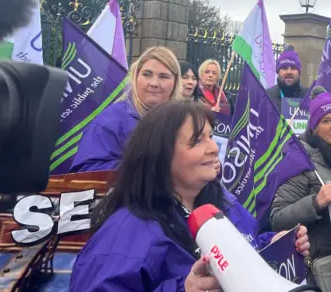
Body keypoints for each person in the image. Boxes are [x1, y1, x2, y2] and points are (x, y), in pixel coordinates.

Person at [69, 100, 310, 291]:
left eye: (211, 137)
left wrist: (275, 245)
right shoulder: (125, 233)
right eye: (197, 141)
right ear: (160, 155)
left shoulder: (224, 204)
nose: (214, 148)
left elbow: (245, 252)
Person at [270, 86, 331, 290]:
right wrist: (315, 203)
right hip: (323, 268)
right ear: (314, 127)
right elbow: (277, 218)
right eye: (326, 121)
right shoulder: (300, 162)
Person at [69, 46, 181, 172]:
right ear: (136, 77)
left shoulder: (184, 121)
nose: (154, 83)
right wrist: (142, 166)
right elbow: (85, 173)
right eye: (147, 74)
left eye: (163, 76)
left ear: (175, 82)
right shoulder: (109, 122)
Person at [266, 49, 309, 113]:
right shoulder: (267, 96)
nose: (289, 72)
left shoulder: (308, 96)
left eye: (293, 68)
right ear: (278, 72)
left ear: (299, 72)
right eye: (285, 68)